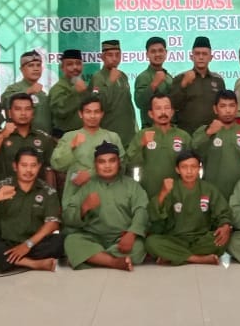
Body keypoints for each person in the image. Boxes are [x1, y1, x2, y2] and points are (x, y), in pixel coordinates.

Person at [62, 142, 148, 271]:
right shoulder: (88, 186)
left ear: (119, 163)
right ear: (95, 165)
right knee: (72, 241)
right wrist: (84, 208)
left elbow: (142, 210)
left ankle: (93, 258)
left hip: (122, 237)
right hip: (94, 237)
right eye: (102, 162)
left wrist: (132, 233)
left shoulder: (132, 185)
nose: (107, 166)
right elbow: (67, 216)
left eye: (112, 161)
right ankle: (114, 262)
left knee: (139, 247)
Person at [0, 148, 63, 273]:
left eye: (33, 165)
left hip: (34, 244)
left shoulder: (48, 191)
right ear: (15, 166)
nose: (29, 170)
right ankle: (32, 264)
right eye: (24, 165)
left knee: (60, 241)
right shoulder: (3, 186)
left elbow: (52, 224)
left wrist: (27, 245)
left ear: (39, 167)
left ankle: (5, 261)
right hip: (6, 243)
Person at [146, 152, 233, 265]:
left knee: (221, 239)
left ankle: (173, 256)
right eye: (184, 167)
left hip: (202, 238)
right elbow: (154, 214)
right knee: (151, 242)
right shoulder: (171, 188)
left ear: (199, 168)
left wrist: (225, 226)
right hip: (175, 239)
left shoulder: (209, 189)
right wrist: (163, 193)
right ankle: (198, 259)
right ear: (177, 170)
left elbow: (223, 212)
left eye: (193, 167)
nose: (189, 171)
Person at [51, 96, 124, 196]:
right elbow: (56, 164)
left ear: (102, 114)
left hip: (107, 192)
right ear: (80, 114)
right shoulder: (69, 137)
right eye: (88, 112)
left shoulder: (112, 137)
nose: (92, 116)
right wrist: (71, 145)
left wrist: (90, 174)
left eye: (96, 112)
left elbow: (122, 165)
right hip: (76, 192)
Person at [192, 90, 240, 198]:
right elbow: (192, 152)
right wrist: (208, 133)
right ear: (215, 109)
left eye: (231, 106)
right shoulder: (204, 131)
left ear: (237, 108)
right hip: (212, 194)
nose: (228, 110)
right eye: (223, 106)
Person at [125, 93, 192, 198]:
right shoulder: (142, 135)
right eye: (158, 108)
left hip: (178, 196)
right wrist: (141, 144)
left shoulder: (184, 136)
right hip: (148, 195)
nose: (163, 112)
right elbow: (129, 164)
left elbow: (193, 168)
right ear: (151, 114)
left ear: (172, 112)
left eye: (167, 108)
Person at [0, 93, 56, 185]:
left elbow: (49, 169)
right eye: (18, 109)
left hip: (36, 191)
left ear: (33, 113)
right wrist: (2, 136)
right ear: (9, 113)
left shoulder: (44, 138)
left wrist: (50, 191)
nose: (23, 113)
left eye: (27, 109)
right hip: (5, 190)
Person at [170, 36, 226, 134]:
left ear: (211, 57)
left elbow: (223, 107)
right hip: (187, 134)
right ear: (191, 57)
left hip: (212, 134)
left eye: (204, 54)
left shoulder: (218, 80)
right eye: (197, 53)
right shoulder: (181, 78)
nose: (201, 57)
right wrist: (183, 84)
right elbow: (172, 105)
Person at [90, 40, 137, 143]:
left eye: (117, 55)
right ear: (102, 57)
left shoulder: (122, 76)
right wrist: (110, 81)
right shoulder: (98, 77)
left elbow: (128, 105)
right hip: (109, 135)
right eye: (110, 55)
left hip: (128, 134)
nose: (114, 58)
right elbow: (99, 105)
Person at [1, 50, 52, 134]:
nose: (36, 69)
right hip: (19, 138)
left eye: (38, 65)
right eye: (31, 65)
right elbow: (5, 102)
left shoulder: (42, 93)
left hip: (43, 138)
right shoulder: (13, 88)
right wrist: (28, 92)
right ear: (22, 69)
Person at [134, 37, 173, 128]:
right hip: (150, 129)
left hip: (169, 129)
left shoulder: (168, 77)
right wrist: (154, 84)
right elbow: (139, 103)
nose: (157, 54)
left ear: (166, 53)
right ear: (147, 54)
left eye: (160, 51)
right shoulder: (143, 77)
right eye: (153, 51)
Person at [49, 48, 87, 138]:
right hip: (65, 137)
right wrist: (76, 91)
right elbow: (60, 111)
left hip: (85, 135)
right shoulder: (58, 88)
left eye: (78, 63)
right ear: (62, 67)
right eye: (70, 64)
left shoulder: (85, 86)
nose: (75, 67)